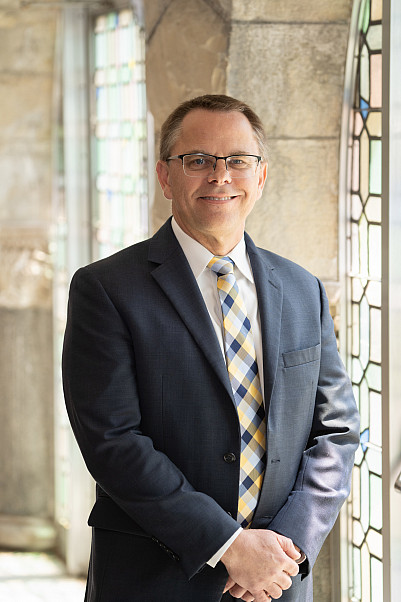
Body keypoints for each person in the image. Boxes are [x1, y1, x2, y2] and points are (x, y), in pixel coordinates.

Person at [62, 94, 360, 602]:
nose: (220, 176)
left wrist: (283, 549)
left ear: (261, 176)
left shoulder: (302, 288)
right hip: (152, 578)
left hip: (277, 580)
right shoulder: (106, 289)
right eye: (197, 160)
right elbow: (112, 441)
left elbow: (337, 430)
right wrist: (229, 545)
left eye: (238, 161)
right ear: (165, 176)